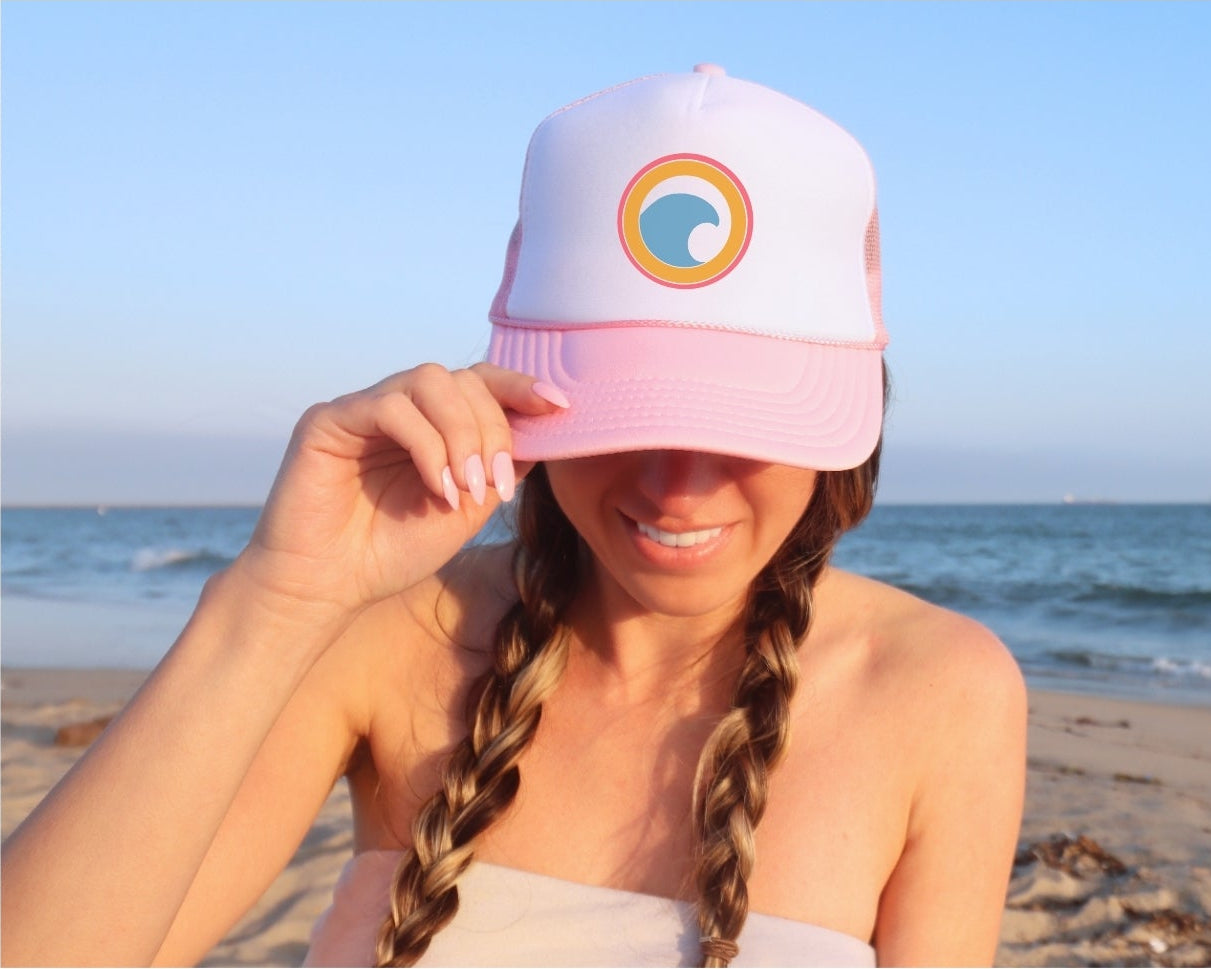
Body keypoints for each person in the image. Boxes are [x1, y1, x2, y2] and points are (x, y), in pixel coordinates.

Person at [0, 66, 1027, 968]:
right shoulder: (387, 636)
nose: (678, 486)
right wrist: (278, 600)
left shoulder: (938, 694)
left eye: (738, 420)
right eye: (628, 415)